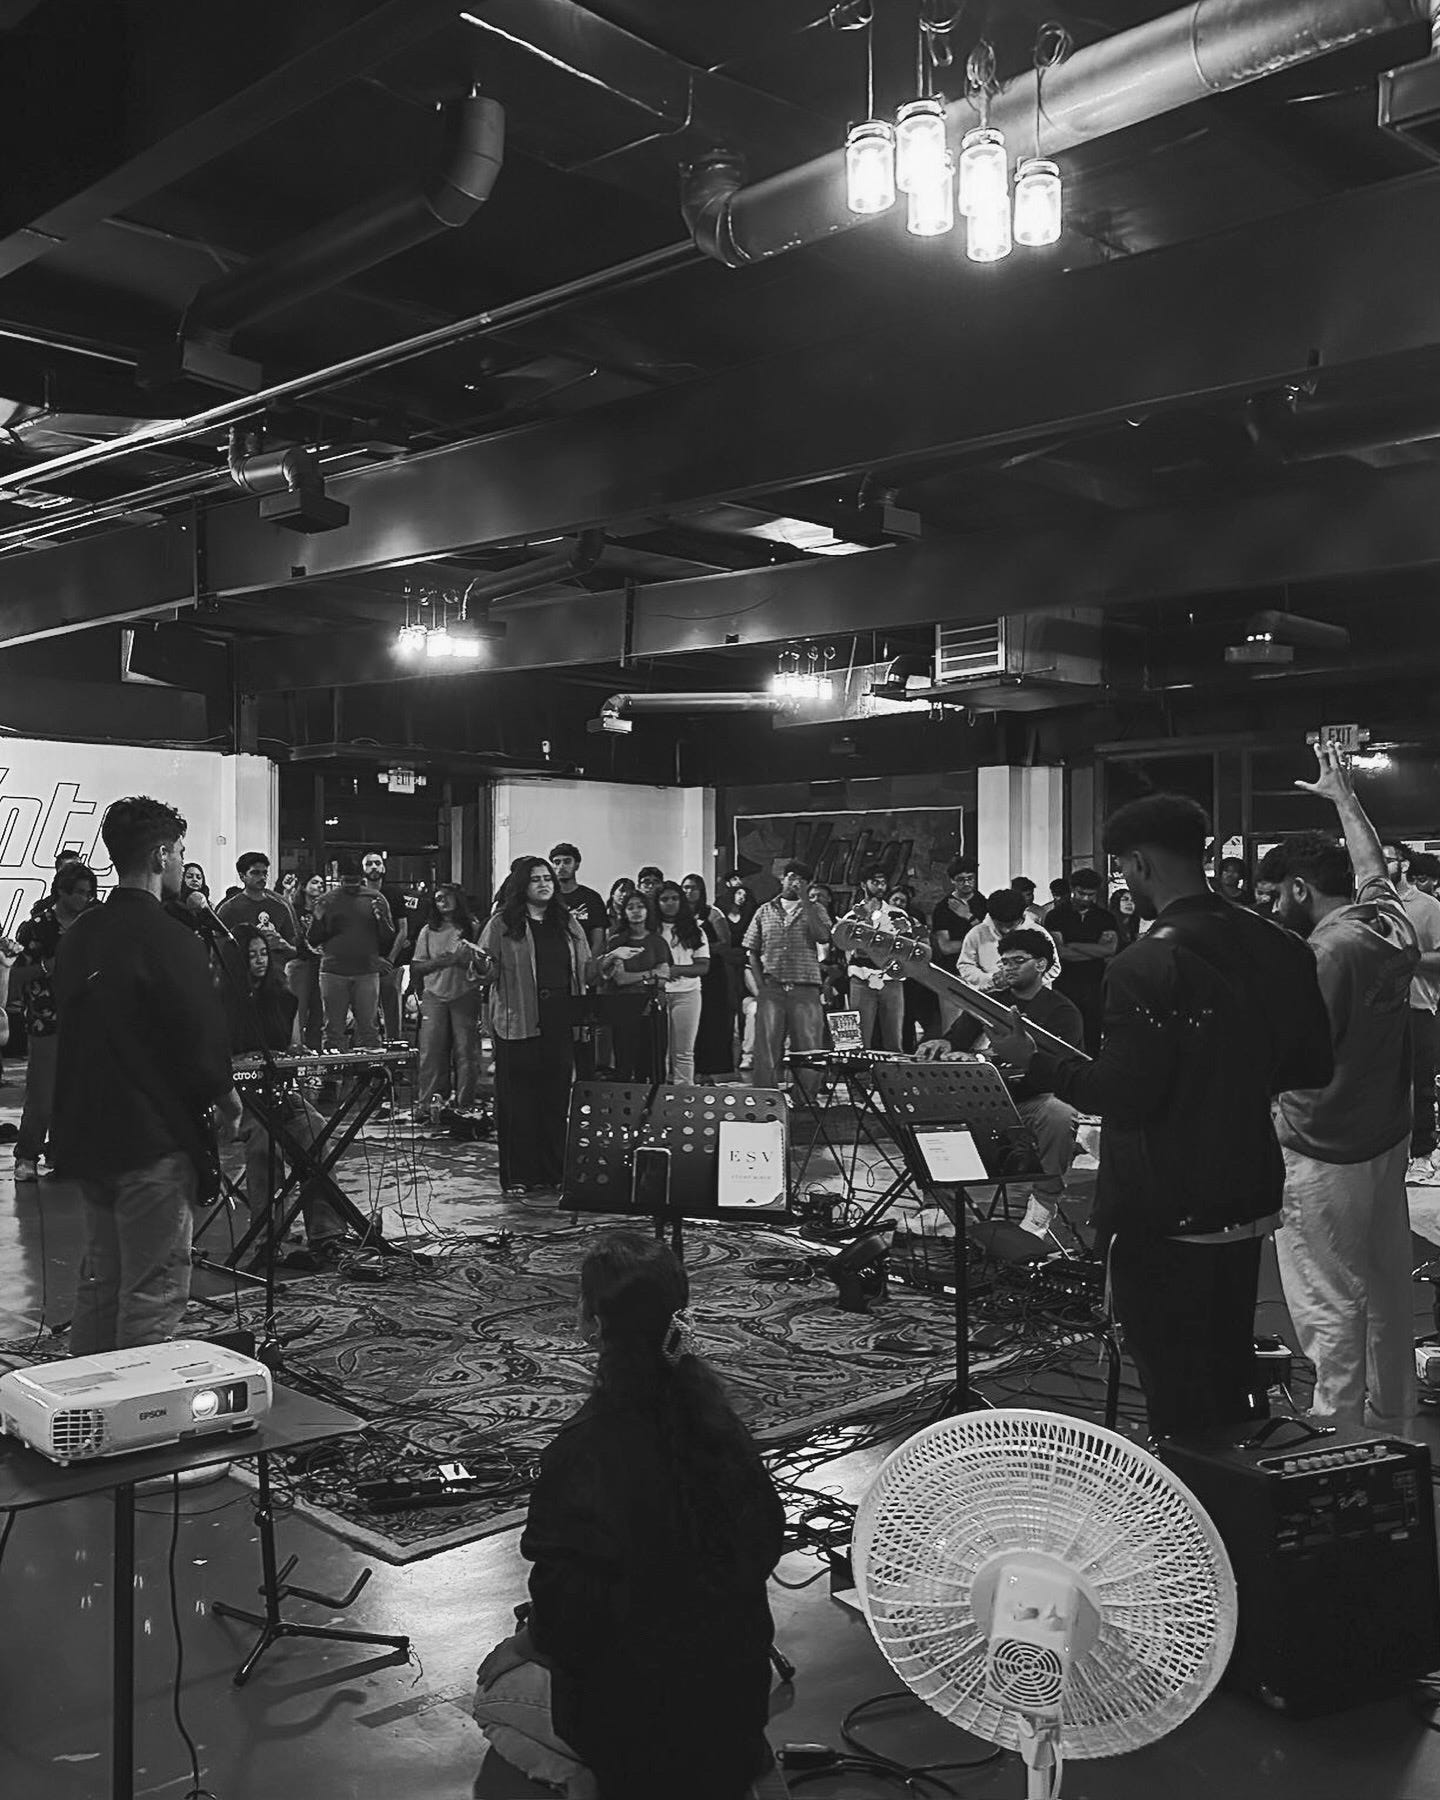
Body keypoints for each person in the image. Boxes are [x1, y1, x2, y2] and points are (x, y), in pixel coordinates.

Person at [986, 789, 1333, 1439]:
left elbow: (1122, 1095)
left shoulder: (1147, 961)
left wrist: (1031, 1059)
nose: (1123, 883)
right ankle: (1234, 1494)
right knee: (1228, 1360)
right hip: (1248, 1187)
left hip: (1166, 1198)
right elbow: (1312, 1066)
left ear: (1140, 864)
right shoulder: (1277, 943)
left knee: (1174, 1379)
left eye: (1121, 869)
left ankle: (1193, 1500)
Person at [474, 1232, 785, 1800]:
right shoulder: (725, 1431)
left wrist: (526, 1643)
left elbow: (568, 1617)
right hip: (737, 1703)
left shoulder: (581, 1450)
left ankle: (594, 1782)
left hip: (635, 1726)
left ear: (590, 1324)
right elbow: (763, 1545)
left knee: (491, 1703)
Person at [51, 796, 242, 1354]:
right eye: (180, 852)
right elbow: (198, 1037)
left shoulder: (81, 935)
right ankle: (138, 1427)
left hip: (89, 1130)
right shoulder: (172, 938)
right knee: (152, 1292)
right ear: (161, 855)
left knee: (101, 1284)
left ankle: (84, 1415)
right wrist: (226, 1099)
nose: (184, 863)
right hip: (151, 1139)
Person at [1264, 762, 1420, 1432]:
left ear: (1301, 888)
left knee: (1329, 1297)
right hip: (1386, 1136)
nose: (1273, 908)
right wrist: (1345, 800)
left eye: (1277, 894)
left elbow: (1297, 1056)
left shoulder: (1325, 955)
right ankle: (1394, 1426)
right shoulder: (1389, 925)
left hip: (1323, 1146)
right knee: (1386, 1288)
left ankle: (1338, 1433)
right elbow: (1372, 868)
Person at [918, 928, 1084, 1240]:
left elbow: (1062, 1071)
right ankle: (938, 1206)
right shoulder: (989, 1003)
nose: (1007, 968)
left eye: (1017, 961)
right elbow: (958, 1036)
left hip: (1030, 1099)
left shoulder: (1062, 1011)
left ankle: (1042, 1207)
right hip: (983, 1097)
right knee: (922, 1110)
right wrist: (942, 1043)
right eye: (1004, 962)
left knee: (1059, 1114)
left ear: (1041, 964)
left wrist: (990, 1062)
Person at [225, 931, 347, 1271]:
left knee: (317, 1132)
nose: (260, 960)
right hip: (241, 1100)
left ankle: (327, 1235)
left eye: (264, 953)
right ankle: (268, 1241)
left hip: (281, 1093)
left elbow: (292, 1049)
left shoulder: (283, 997)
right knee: (266, 1142)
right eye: (252, 955)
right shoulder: (222, 1001)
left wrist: (302, 1056)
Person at [476, 857, 593, 1196]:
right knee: (518, 1101)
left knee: (556, 1098)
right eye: (536, 879)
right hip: (518, 1017)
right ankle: (519, 1175)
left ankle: (554, 1172)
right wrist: (479, 963)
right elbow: (487, 970)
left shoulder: (567, 921)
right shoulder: (502, 923)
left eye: (548, 879)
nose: (544, 884)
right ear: (521, 886)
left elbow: (585, 967)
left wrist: (611, 962)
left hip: (560, 1016)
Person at [13, 861, 98, 1181]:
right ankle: (27, 1154)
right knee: (42, 1093)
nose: (84, 899)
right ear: (61, 891)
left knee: (80, 1089)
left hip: (87, 1017)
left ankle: (66, 1152)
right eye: (78, 893)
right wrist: (49, 967)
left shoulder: (92, 924)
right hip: (46, 1020)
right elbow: (17, 975)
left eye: (89, 894)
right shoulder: (37, 927)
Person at [1381, 843, 1440, 1186]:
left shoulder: (1429, 907)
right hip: (1381, 1010)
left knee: (1421, 1083)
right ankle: (1392, 1153)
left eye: (1387, 859)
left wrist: (1408, 959)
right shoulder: (1370, 906)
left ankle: (1422, 1154)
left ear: (1402, 863)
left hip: (1418, 1006)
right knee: (1386, 1083)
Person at [743, 861, 831, 1088]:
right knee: (767, 1046)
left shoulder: (816, 909)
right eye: (791, 877)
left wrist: (806, 903)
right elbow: (751, 949)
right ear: (782, 879)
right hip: (772, 986)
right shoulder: (764, 910)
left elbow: (823, 936)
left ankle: (806, 1100)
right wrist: (761, 985)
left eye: (802, 880)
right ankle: (766, 1099)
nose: (795, 883)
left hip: (805, 987)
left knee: (808, 1044)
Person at [308, 859, 394, 1052]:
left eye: (355, 881)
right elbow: (313, 939)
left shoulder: (375, 898)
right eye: (347, 881)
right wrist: (318, 917)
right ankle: (333, 1078)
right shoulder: (327, 900)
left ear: (361, 878)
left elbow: (388, 937)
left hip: (366, 971)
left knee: (369, 1029)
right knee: (333, 1030)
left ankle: (371, 1076)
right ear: (340, 878)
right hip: (334, 971)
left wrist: (381, 919)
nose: (351, 886)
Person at [411, 883, 481, 1114]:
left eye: (448, 897)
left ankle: (465, 1105)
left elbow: (484, 961)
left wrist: (468, 959)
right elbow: (418, 966)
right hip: (434, 995)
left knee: (466, 1052)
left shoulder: (472, 927)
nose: (443, 901)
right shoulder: (428, 931)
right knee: (430, 1052)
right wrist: (447, 960)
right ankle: (427, 1105)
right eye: (438, 898)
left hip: (465, 992)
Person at [599, 890, 672, 1082]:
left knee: (653, 1063)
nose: (636, 911)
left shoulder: (657, 942)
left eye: (640, 906)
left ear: (648, 911)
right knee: (625, 1062)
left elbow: (664, 978)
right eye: (630, 907)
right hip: (624, 1008)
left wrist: (646, 977)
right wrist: (650, 973)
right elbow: (621, 979)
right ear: (624, 913)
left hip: (653, 1008)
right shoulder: (617, 942)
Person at [1046, 869, 1119, 1053]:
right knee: (1066, 1030)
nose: (1085, 899)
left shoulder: (1105, 917)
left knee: (1093, 1032)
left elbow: (1109, 950)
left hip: (1095, 983)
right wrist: (1095, 950)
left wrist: (1073, 945)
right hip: (1065, 982)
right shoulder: (1056, 916)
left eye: (1090, 895)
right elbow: (1060, 952)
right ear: (1072, 890)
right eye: (1081, 893)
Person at [840, 867, 910, 1052]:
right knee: (859, 1039)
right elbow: (848, 950)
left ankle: (894, 1078)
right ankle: (860, 1077)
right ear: (864, 884)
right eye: (875, 882)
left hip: (891, 980)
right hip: (861, 978)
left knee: (894, 1037)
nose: (880, 887)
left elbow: (906, 946)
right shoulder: (852, 916)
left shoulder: (898, 914)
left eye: (883, 883)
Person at [653, 882, 709, 1085]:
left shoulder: (695, 930)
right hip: (656, 993)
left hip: (687, 993)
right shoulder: (651, 930)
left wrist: (676, 970)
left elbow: (703, 966)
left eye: (675, 898)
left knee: (684, 1051)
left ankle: (685, 1098)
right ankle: (658, 1099)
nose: (670, 903)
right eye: (664, 899)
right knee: (658, 1051)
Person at [682, 874, 735, 1081]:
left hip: (712, 973)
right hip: (688, 972)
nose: (689, 892)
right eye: (685, 887)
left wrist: (700, 950)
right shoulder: (680, 915)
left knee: (711, 1021)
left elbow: (725, 942)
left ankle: (711, 1070)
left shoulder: (713, 913)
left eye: (694, 888)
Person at [958, 889, 1060, 993]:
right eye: (1000, 924)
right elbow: (966, 965)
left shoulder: (1039, 934)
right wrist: (990, 980)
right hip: (991, 996)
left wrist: (1022, 982)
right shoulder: (977, 933)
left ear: (1022, 916)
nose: (1005, 930)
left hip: (1032, 998)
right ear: (992, 918)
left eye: (1011, 925)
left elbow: (1054, 967)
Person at [216, 851, 297, 976]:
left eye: (265, 873)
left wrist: (284, 945)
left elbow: (295, 950)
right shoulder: (229, 909)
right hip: (242, 977)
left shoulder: (280, 907)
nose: (262, 877)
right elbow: (219, 950)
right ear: (242, 876)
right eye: (255, 873)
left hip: (276, 977)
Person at [930, 861, 987, 1030]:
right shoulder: (943, 907)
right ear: (953, 881)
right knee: (952, 1025)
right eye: (961, 879)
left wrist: (968, 916)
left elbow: (990, 938)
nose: (967, 883)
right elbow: (945, 947)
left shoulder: (984, 903)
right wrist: (974, 943)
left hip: (982, 972)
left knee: (982, 1026)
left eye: (970, 878)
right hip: (953, 972)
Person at [362, 850, 411, 1041]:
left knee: (393, 1013)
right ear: (363, 869)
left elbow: (403, 930)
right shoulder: (358, 894)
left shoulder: (394, 894)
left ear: (383, 867)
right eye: (369, 864)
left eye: (377, 863)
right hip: (365, 965)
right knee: (367, 1015)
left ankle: (394, 1051)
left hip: (392, 964)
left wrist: (390, 959)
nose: (373, 867)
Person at [718, 873, 758, 1071]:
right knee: (729, 1004)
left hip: (744, 961)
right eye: (738, 892)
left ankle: (746, 1050)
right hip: (727, 962)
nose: (741, 896)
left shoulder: (751, 914)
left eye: (744, 893)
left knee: (745, 1008)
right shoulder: (721, 913)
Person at [286, 873, 327, 1051]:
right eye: (314, 882)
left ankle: (316, 1052)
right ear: (304, 886)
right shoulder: (295, 909)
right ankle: (297, 1049)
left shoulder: (325, 910)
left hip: (321, 964)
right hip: (301, 963)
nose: (319, 886)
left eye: (322, 884)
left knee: (319, 1012)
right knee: (299, 1009)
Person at [551, 842, 608, 954]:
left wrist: (591, 963)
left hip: (584, 959)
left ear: (576, 865)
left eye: (567, 861)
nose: (561, 866)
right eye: (557, 862)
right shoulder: (548, 898)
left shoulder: (591, 898)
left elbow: (598, 940)